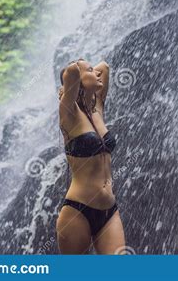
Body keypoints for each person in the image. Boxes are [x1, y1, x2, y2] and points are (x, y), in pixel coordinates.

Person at [55, 58, 126, 254]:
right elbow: (70, 73)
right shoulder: (68, 112)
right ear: (77, 81)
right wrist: (77, 71)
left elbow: (105, 66)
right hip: (78, 210)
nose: (96, 73)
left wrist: (88, 73)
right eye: (89, 70)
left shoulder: (97, 107)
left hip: (109, 211)